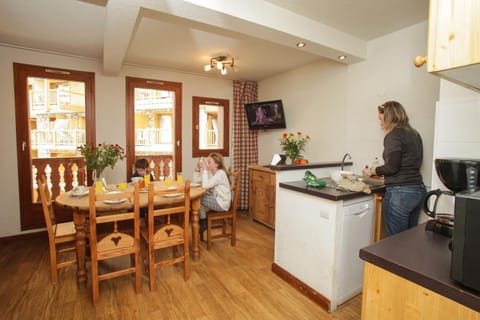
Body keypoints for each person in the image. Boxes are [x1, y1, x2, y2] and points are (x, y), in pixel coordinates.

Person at [363, 100, 426, 237]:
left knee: (395, 243)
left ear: (388, 116)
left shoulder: (393, 135)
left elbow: (392, 167)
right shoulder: (414, 134)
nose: (380, 123)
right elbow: (411, 162)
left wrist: (372, 171)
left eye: (381, 119)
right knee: (408, 239)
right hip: (418, 189)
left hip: (400, 193)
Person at [193, 152, 231, 235]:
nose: (207, 163)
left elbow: (205, 186)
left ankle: (203, 221)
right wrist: (197, 168)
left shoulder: (220, 174)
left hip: (222, 204)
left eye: (209, 162)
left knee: (198, 198)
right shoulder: (212, 173)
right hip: (216, 200)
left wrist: (205, 170)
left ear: (216, 164)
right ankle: (203, 220)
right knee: (199, 197)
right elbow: (196, 181)